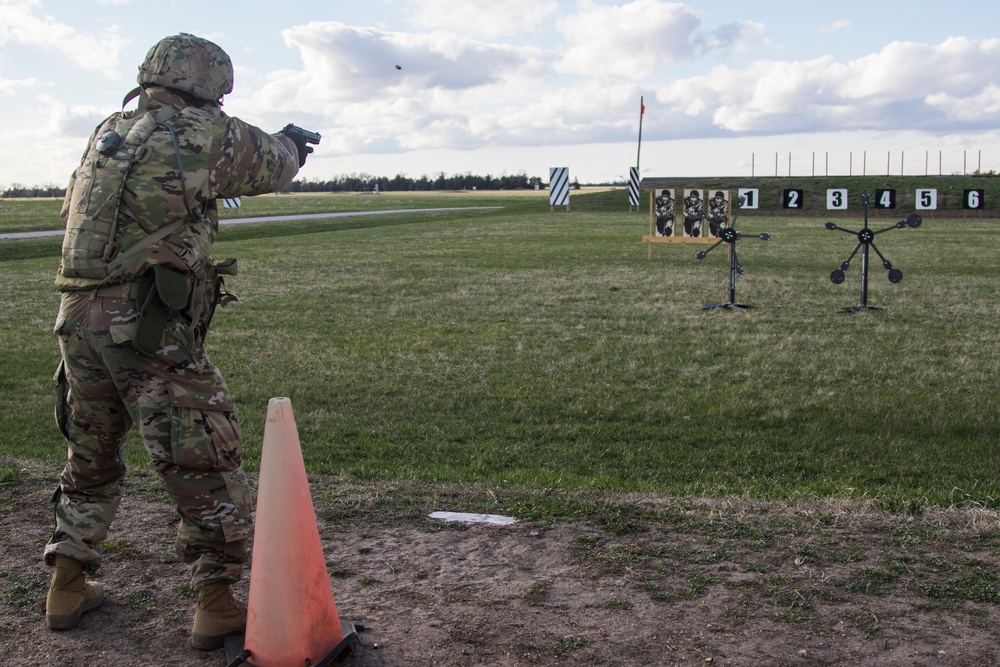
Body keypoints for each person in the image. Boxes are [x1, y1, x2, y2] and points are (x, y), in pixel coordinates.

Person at [43, 33, 313, 650]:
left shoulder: (110, 131)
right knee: (201, 457)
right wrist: (294, 145)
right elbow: (270, 162)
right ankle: (216, 604)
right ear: (211, 83)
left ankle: (66, 584)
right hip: (145, 324)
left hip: (77, 320)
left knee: (90, 457)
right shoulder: (201, 131)